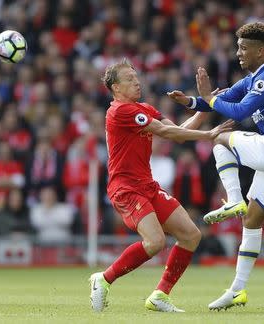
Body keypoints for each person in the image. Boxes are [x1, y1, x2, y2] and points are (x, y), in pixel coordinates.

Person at [168, 22, 264, 310]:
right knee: (252, 221)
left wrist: (208, 98)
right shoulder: (253, 78)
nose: (238, 53)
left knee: (218, 140)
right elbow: (224, 99)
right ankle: (237, 290)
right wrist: (192, 101)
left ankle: (233, 199)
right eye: (238, 47)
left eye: (244, 48)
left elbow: (240, 111)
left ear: (261, 50)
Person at [89, 58, 232, 313]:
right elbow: (169, 134)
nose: (137, 82)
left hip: (147, 186)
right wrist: (209, 135)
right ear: (115, 87)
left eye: (136, 77)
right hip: (126, 188)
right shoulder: (120, 111)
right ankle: (104, 278)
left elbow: (178, 130)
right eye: (130, 79)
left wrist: (205, 108)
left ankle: (160, 295)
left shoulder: (143, 109)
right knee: (155, 242)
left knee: (191, 235)